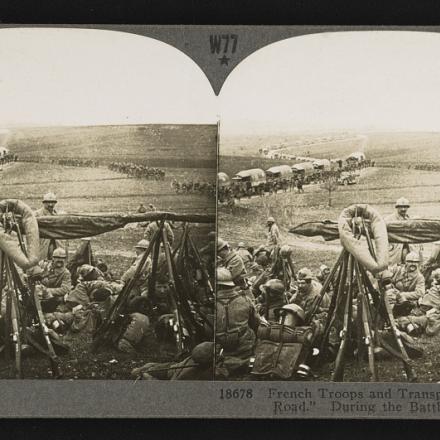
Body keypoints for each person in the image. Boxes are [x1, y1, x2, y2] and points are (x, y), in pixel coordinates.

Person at [215, 267, 259, 378]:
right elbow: (255, 323)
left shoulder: (210, 303)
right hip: (244, 348)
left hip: (220, 350)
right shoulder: (245, 300)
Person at [385, 198, 421, 265]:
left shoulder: (409, 219)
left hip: (408, 246)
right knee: (393, 267)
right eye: (401, 207)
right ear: (397, 207)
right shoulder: (389, 219)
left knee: (411, 264)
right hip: (395, 247)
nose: (403, 209)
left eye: (405, 207)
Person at [388, 251, 426, 316]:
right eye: (410, 261)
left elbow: (420, 293)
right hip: (392, 296)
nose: (413, 264)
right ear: (406, 262)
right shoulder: (397, 269)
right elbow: (386, 274)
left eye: (415, 262)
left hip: (407, 302)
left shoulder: (419, 277)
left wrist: (402, 294)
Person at [34, 192, 64, 260]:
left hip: (56, 243)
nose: (50, 204)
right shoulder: (36, 214)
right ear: (44, 203)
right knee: (42, 262)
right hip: (42, 243)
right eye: (48, 202)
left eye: (52, 202)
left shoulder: (58, 214)